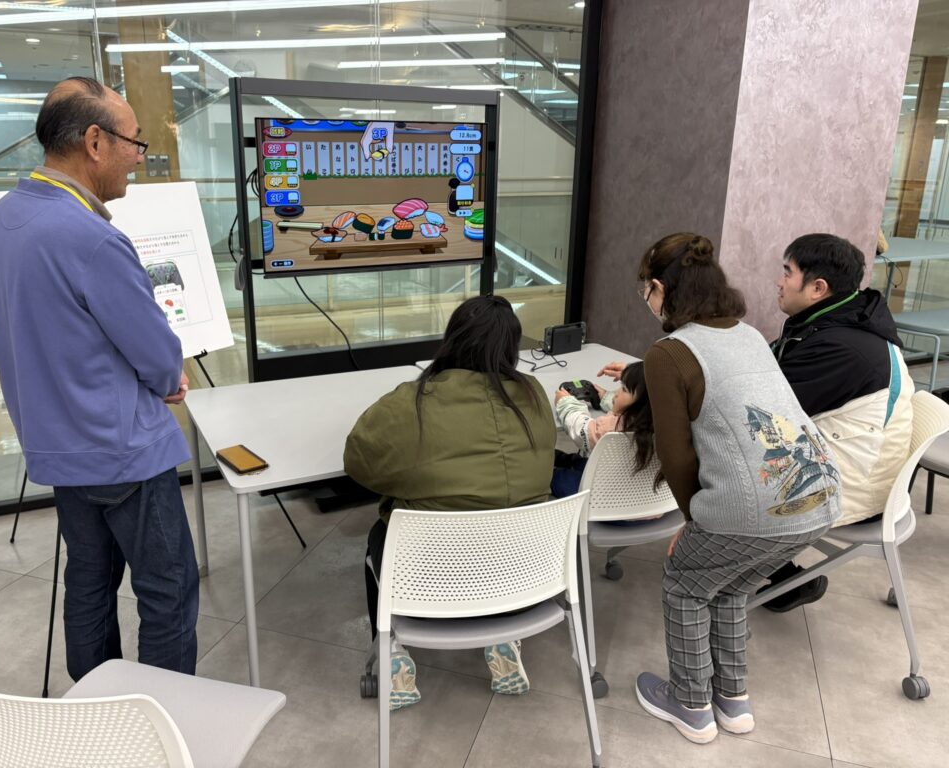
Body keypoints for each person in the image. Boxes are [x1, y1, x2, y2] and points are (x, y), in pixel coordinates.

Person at [0, 76, 198, 681]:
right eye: (135, 142)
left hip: (58, 450)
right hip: (124, 452)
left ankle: (96, 708)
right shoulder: (92, 237)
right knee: (168, 589)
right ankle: (163, 715)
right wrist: (168, 378)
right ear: (95, 142)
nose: (139, 156)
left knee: (89, 581)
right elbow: (155, 352)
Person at [629, 233, 840, 744]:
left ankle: (690, 705)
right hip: (821, 498)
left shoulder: (668, 353)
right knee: (731, 585)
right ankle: (733, 700)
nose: (646, 301)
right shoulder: (748, 335)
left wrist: (693, 521)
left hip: (754, 507)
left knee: (685, 582)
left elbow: (677, 455)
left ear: (660, 289)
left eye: (645, 291)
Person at [343, 295, 556, 711]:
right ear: (512, 348)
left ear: (452, 338)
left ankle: (393, 654)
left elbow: (358, 462)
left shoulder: (414, 401)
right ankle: (503, 637)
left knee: (379, 536)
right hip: (525, 581)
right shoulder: (534, 395)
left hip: (431, 584)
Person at [764, 233, 913, 611]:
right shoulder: (830, 322)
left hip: (855, 489)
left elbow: (760, 409)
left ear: (818, 288)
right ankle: (776, 575)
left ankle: (762, 578)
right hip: (853, 465)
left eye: (787, 273)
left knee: (718, 458)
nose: (779, 282)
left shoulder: (841, 346)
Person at [551, 361, 657, 498]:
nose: (616, 393)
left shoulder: (610, 428)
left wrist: (565, 403)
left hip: (606, 499)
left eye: (624, 389)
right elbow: (641, 406)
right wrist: (635, 379)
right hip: (645, 494)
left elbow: (581, 429)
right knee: (577, 462)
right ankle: (563, 460)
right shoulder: (664, 421)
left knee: (556, 478)